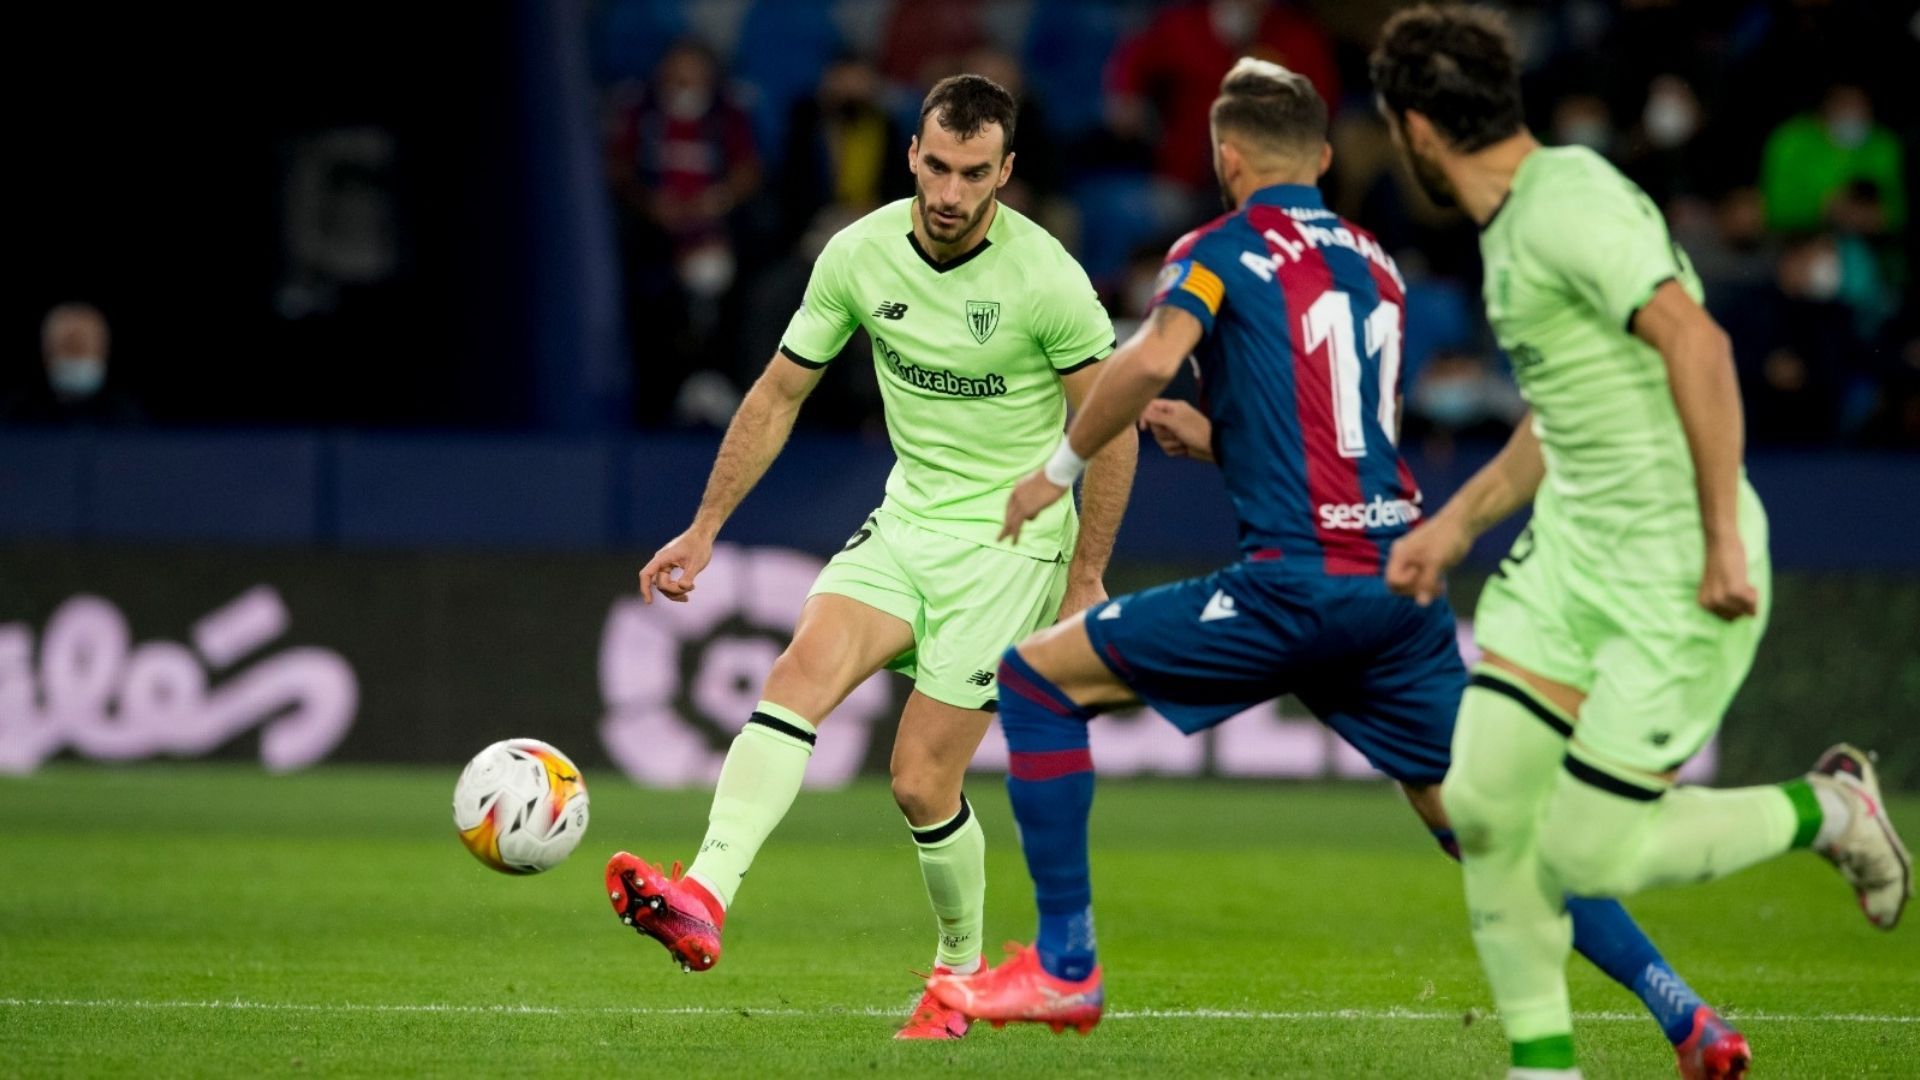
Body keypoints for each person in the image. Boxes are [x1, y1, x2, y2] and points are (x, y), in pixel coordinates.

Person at [928, 58, 1759, 1079]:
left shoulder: (1215, 248)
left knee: (1034, 681)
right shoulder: (1377, 263)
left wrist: (1055, 472)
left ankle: (1066, 965)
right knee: (1493, 833)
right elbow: (1344, 441)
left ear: (1227, 160)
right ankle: (1687, 1016)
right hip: (1397, 587)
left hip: (1295, 586)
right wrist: (1222, 434)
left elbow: (1144, 360)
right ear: (1321, 159)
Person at [1365, 8, 1910, 1077]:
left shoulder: (1567, 207)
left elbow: (1696, 343)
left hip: (1668, 562)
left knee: (1581, 848)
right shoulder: (1517, 219)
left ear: (1418, 129)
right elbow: (1563, 407)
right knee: (1479, 803)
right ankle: (1543, 1065)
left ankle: (1830, 809)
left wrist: (1719, 540)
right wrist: (1458, 523)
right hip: (1571, 554)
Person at [602, 73, 1137, 1041]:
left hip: (1010, 550)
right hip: (907, 522)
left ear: (1005, 174)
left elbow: (1114, 425)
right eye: (935, 164)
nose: (949, 189)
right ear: (911, 156)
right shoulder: (858, 253)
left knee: (919, 782)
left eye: (974, 172)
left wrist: (1088, 574)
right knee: (797, 670)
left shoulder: (1046, 277)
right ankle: (705, 897)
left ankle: (957, 975)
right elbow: (775, 394)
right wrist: (705, 524)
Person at [3, 303, 142, 426]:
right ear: (47, 351)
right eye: (68, 347)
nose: (75, 357)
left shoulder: (127, 417)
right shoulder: (18, 414)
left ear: (103, 350)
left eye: (82, 347)